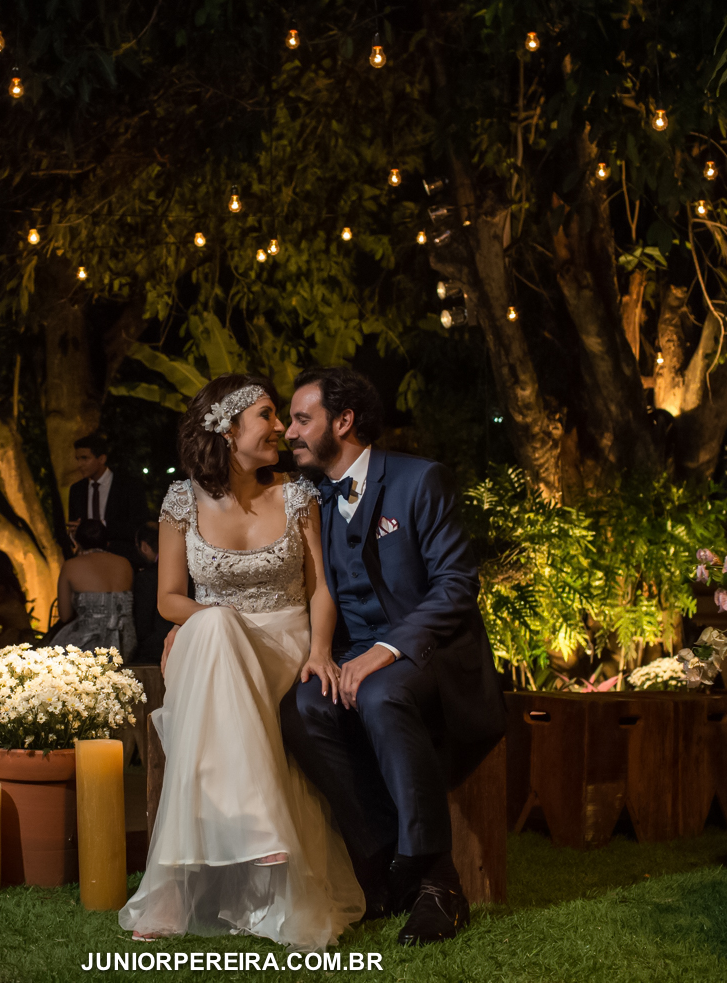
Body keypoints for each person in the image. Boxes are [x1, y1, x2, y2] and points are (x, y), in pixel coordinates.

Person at [118, 374, 363, 950]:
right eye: (267, 415)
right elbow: (168, 599)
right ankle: (258, 830)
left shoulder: (297, 496)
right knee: (216, 628)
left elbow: (320, 588)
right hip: (210, 642)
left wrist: (321, 651)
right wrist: (211, 621)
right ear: (227, 430)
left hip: (284, 643)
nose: (281, 428)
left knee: (214, 643)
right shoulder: (181, 501)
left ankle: (177, 884)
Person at [280, 366, 507, 946]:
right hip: (353, 653)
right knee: (303, 706)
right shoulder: (312, 499)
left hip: (432, 654)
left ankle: (438, 883)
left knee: (380, 693)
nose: (289, 432)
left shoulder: (419, 479)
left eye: (302, 419)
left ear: (344, 421)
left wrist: (384, 651)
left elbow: (457, 585)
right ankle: (385, 865)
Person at [50, 519, 135, 658]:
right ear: (107, 542)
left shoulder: (71, 566)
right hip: (123, 644)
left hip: (88, 643)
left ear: (77, 543)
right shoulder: (125, 564)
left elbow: (65, 616)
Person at [66, 434, 149, 558]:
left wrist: (100, 525)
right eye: (78, 459)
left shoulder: (128, 486)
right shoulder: (77, 490)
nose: (80, 464)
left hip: (121, 558)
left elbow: (139, 527)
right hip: (87, 559)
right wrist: (74, 534)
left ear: (101, 459)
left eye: (85, 458)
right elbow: (74, 524)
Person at [130, 523, 173, 665]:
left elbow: (143, 623)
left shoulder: (147, 577)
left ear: (144, 546)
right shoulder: (186, 570)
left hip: (155, 651)